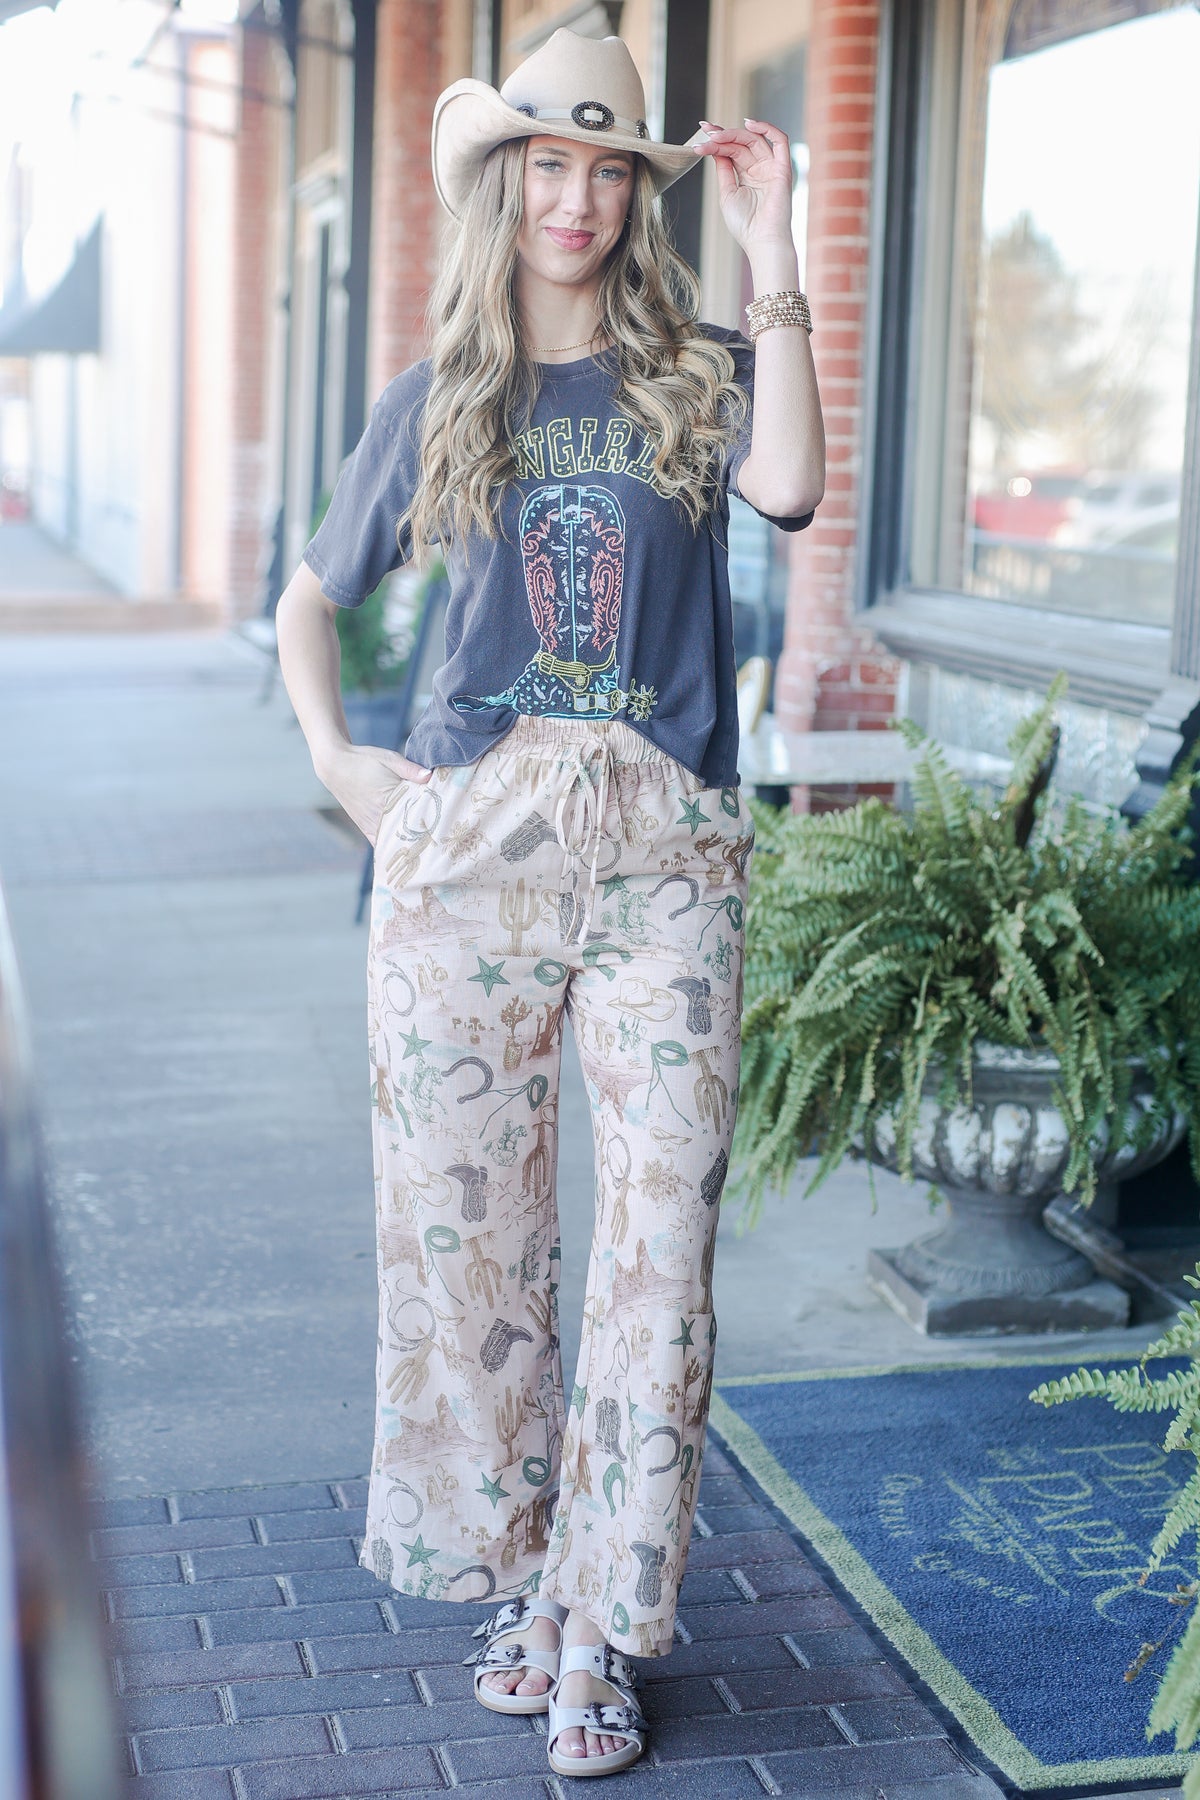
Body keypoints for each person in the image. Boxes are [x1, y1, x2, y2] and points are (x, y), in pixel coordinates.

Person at [275, 26, 823, 1779]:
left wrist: (780, 241)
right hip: (464, 851)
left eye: (607, 169)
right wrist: (342, 767)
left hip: (665, 860)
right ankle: (521, 1578)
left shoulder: (701, 369)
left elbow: (799, 491)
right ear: (504, 184)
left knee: (660, 1243)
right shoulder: (433, 398)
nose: (578, 198)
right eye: (551, 166)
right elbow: (307, 601)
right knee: (467, 1248)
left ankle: (603, 1613)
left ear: (634, 195)